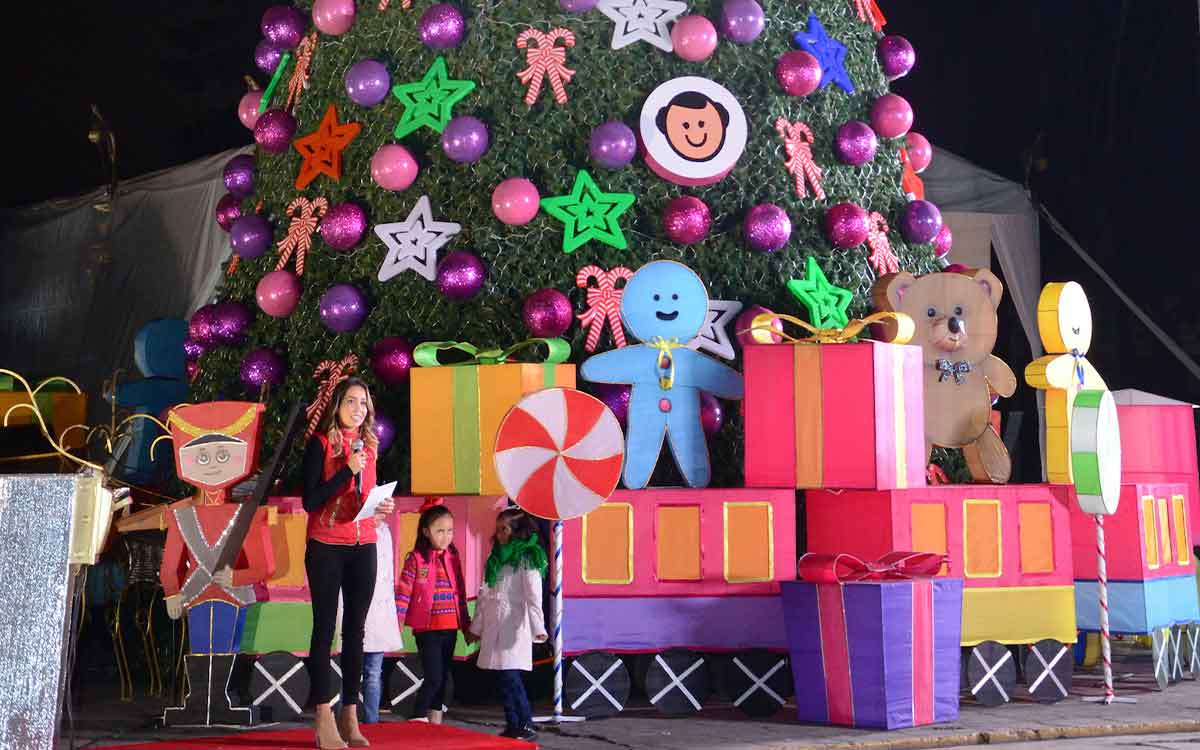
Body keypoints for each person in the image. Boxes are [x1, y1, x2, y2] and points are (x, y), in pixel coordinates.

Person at [303, 378, 393, 749]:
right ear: (337, 405)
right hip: (326, 545)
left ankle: (350, 715)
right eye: (351, 401)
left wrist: (381, 508)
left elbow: (364, 498)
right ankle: (323, 716)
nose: (358, 408)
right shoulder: (321, 444)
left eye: (364, 403)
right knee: (325, 629)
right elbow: (311, 500)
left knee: (356, 631)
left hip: (363, 544)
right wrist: (346, 470)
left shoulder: (369, 446)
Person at [470, 507, 548, 741]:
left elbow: (534, 596)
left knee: (511, 677)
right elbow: (485, 595)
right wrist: (476, 628)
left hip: (514, 625)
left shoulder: (528, 558)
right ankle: (512, 724)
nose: (500, 534)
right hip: (495, 624)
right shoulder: (494, 557)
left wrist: (538, 628)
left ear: (517, 531)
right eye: (498, 529)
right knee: (502, 677)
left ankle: (525, 723)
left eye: (504, 529)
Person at [395, 499, 470, 724]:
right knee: (434, 677)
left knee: (442, 677)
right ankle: (417, 719)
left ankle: (435, 724)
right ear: (426, 532)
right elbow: (404, 592)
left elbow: (460, 592)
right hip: (426, 628)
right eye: (440, 531)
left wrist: (466, 625)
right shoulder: (416, 559)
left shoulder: (453, 557)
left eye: (449, 531)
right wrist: (397, 623)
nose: (446, 536)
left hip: (450, 627)